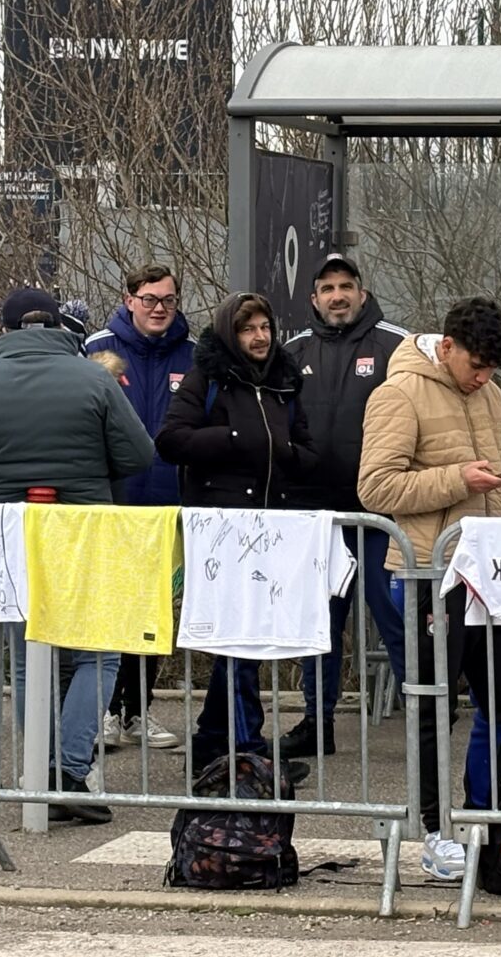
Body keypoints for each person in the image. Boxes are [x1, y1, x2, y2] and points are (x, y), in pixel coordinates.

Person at [0, 286, 155, 824]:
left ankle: (38, 771)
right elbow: (138, 454)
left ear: (4, 330)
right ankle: (68, 770)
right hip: (85, 531)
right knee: (98, 653)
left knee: (30, 660)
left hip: (11, 534)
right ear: (59, 326)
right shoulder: (94, 379)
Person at [357, 297, 501, 882]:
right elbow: (375, 487)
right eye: (476, 366)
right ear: (446, 346)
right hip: (430, 571)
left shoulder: (492, 395)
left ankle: (483, 815)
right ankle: (434, 826)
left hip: (488, 575)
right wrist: (457, 479)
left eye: (491, 371)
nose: (482, 379)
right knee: (434, 703)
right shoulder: (398, 393)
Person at [155, 292, 314, 774]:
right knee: (240, 640)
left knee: (248, 640)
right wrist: (236, 439)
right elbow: (171, 440)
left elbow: (307, 449)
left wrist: (283, 451)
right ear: (231, 333)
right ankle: (249, 749)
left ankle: (211, 741)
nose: (260, 337)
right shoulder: (208, 377)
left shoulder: (286, 381)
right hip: (222, 529)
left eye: (265, 327)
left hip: (273, 529)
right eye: (248, 329)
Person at [279, 254, 411, 759]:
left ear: (361, 292)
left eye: (346, 286)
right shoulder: (292, 351)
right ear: (314, 298)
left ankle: (426, 719)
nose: (338, 295)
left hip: (380, 516)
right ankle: (317, 722)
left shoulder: (395, 345)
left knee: (394, 613)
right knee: (321, 623)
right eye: (327, 288)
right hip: (317, 516)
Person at [85, 264, 194, 752]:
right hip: (113, 505)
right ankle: (107, 710)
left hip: (168, 509)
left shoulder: (194, 355)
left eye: (168, 300)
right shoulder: (97, 349)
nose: (159, 308)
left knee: (155, 615)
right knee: (111, 611)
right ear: (129, 299)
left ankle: (138, 710)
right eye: (149, 299)